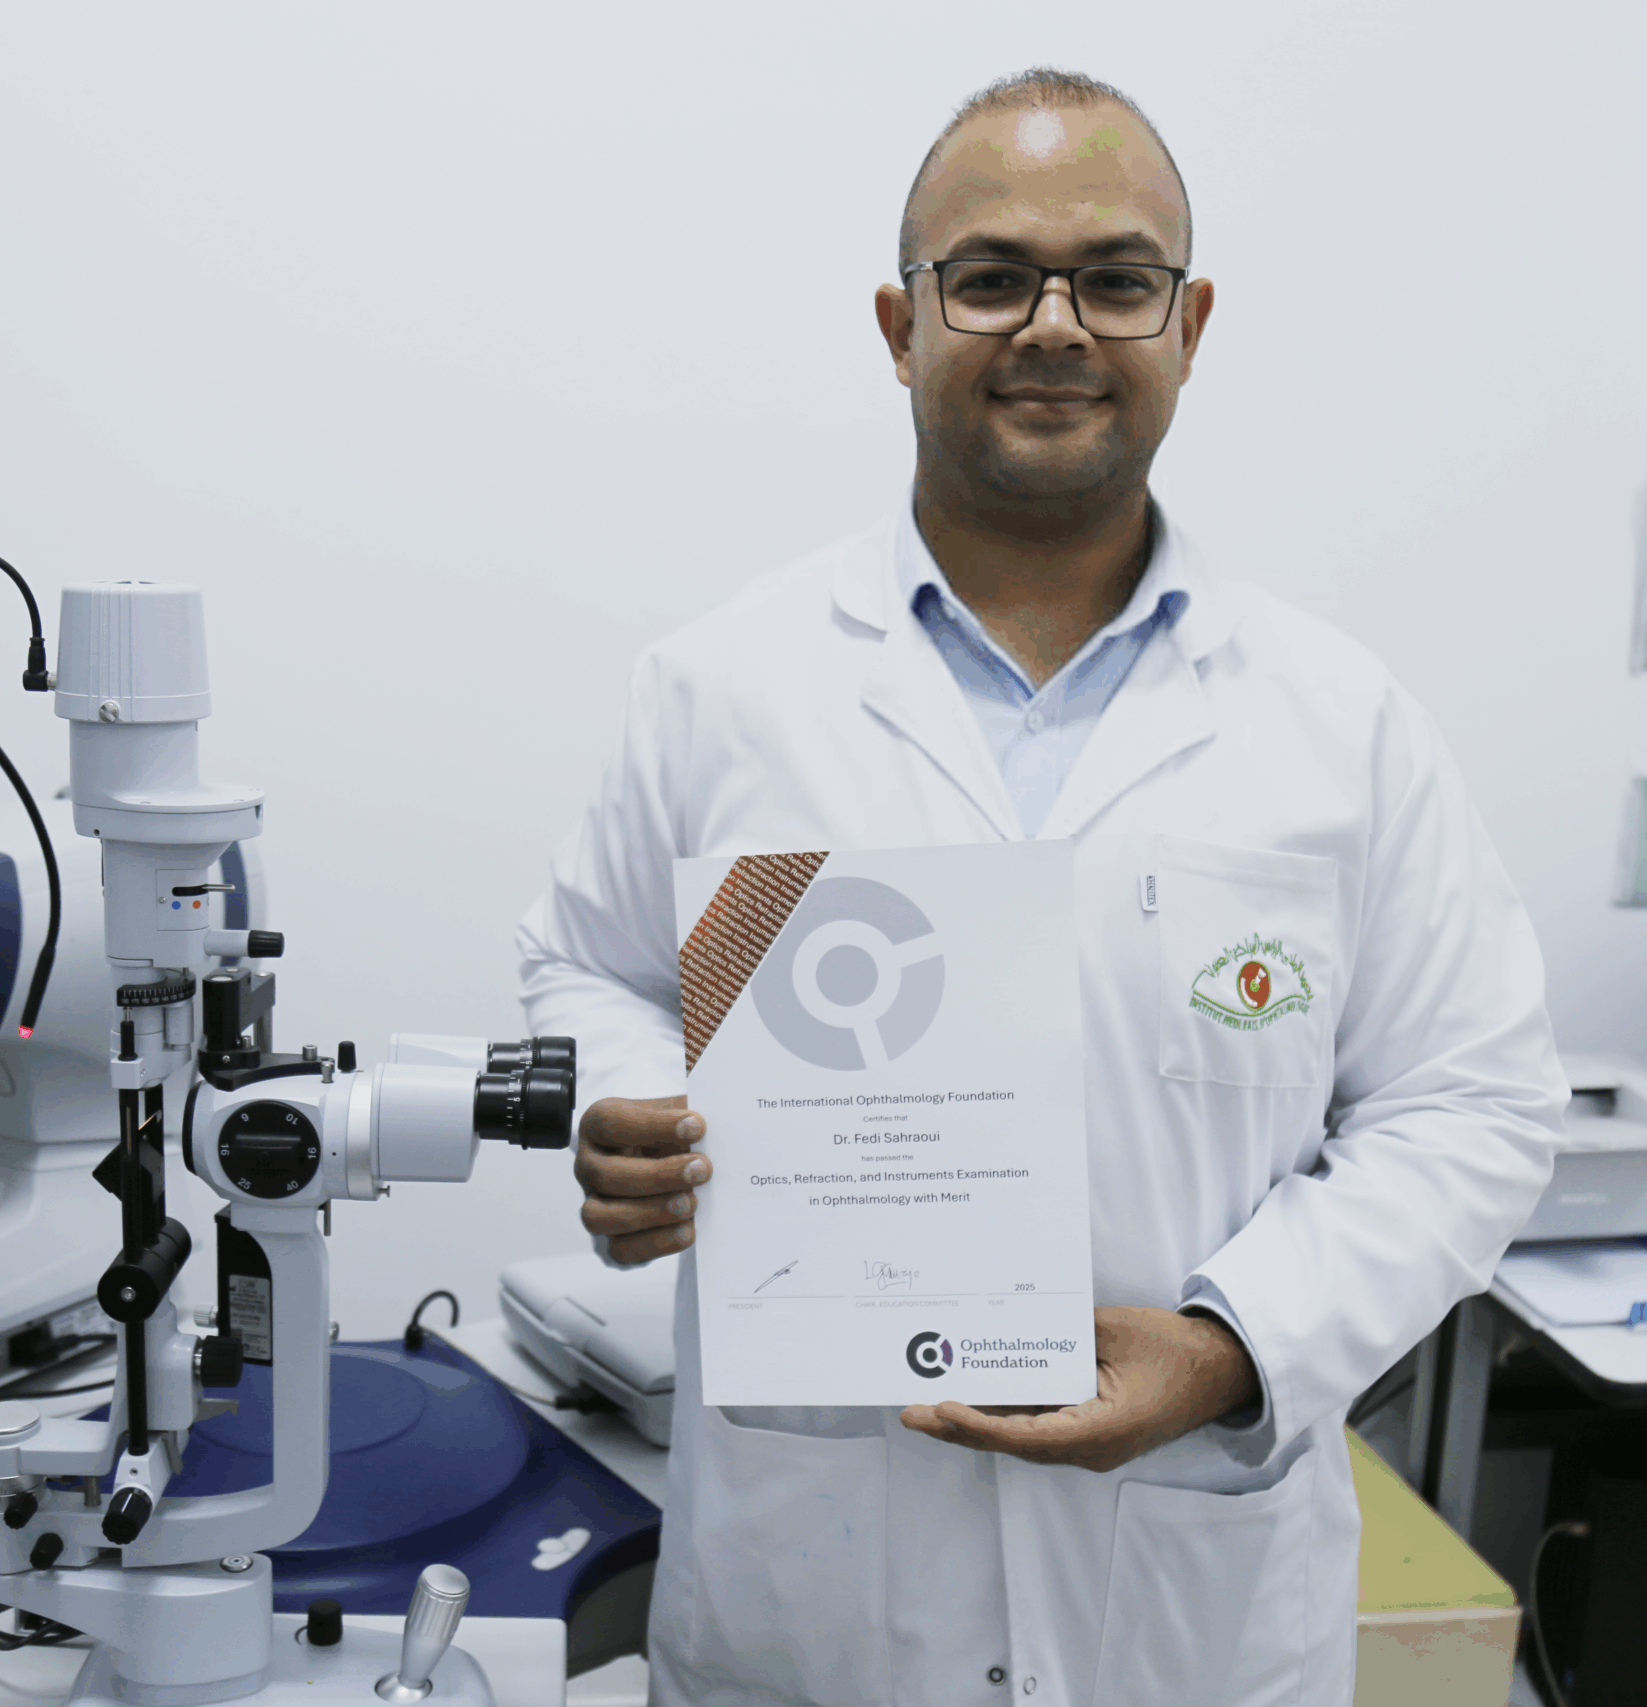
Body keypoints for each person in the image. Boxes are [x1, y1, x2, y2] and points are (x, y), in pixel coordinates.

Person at [516, 68, 1566, 1707]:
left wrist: (1230, 1345)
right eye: (992, 277)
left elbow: (1475, 1104)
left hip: (1184, 1624)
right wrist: (640, 1105)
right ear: (899, 321)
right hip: (808, 1614)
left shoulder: (1335, 726)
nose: (1055, 324)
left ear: (1191, 320)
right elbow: (593, 973)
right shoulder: (724, 691)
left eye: (1118, 279)